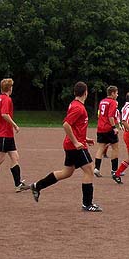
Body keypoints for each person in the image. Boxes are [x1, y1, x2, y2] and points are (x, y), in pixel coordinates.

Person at [30, 82, 102, 212]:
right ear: (85, 93)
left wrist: (84, 138)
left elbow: (75, 126)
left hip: (73, 144)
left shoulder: (75, 105)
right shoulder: (78, 108)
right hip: (76, 146)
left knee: (66, 173)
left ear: (75, 92)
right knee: (89, 170)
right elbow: (66, 125)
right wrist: (76, 142)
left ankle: (37, 186)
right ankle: (87, 204)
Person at [0, 78, 30, 194]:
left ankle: (18, 184)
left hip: (5, 133)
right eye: (12, 86)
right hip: (3, 134)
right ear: (9, 88)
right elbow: (4, 114)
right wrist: (14, 125)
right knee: (0, 158)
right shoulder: (7, 99)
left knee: (15, 157)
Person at [94, 85, 121, 178]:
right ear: (112, 93)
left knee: (101, 148)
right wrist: (114, 127)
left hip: (100, 128)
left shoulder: (102, 101)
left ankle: (96, 168)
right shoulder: (113, 102)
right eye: (116, 93)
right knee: (115, 148)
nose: (117, 95)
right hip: (108, 128)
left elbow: (99, 114)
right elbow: (110, 116)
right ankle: (114, 170)